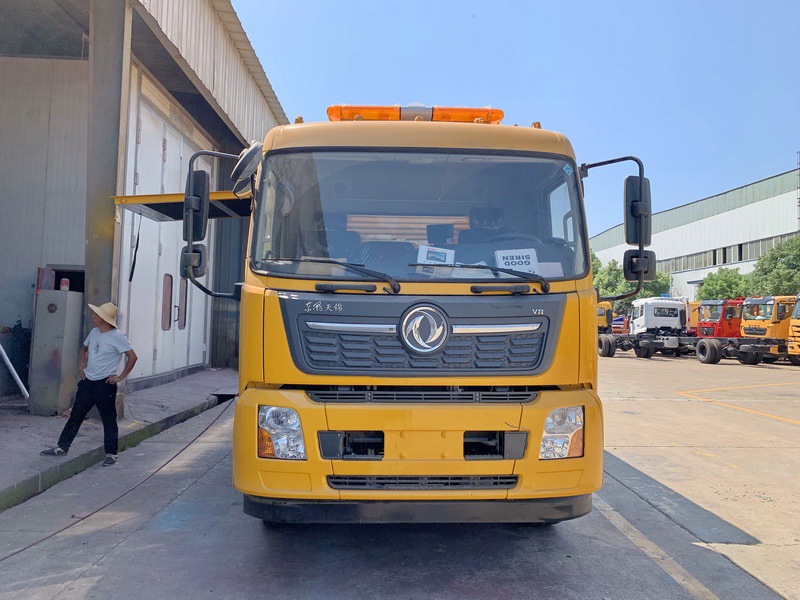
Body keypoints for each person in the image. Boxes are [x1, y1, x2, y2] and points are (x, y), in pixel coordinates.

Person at [40, 302, 137, 466]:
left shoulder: (118, 336)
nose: (92, 316)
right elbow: (84, 349)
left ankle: (111, 453)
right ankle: (62, 447)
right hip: (88, 382)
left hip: (105, 384)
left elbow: (132, 357)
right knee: (76, 416)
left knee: (108, 419)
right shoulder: (94, 332)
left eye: (96, 315)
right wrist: (81, 366)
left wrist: (120, 377)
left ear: (104, 319)